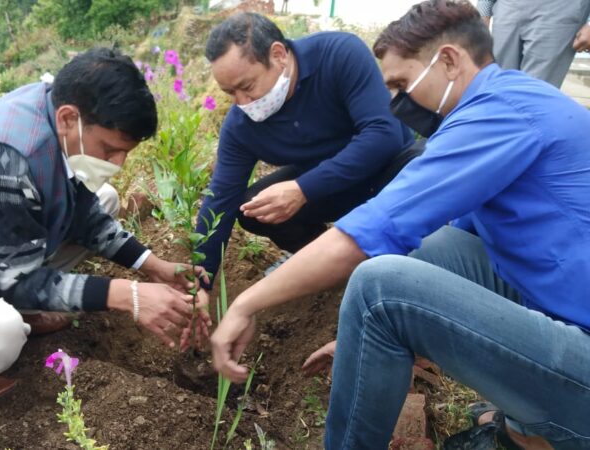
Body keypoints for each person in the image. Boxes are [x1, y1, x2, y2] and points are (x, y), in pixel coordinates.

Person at [210, 1, 590, 449]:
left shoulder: (499, 117)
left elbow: (375, 227)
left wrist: (244, 305)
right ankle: (522, 428)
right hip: (561, 304)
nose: (396, 101)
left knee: (379, 285)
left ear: (448, 61)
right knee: (435, 247)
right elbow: (451, 243)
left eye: (402, 84)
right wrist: (368, 340)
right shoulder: (511, 97)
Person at [0, 48, 210, 407]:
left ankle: (16, 310)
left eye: (125, 152)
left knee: (106, 197)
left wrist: (152, 266)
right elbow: (16, 279)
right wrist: (130, 295)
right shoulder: (4, 158)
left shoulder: (53, 108)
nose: (119, 163)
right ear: (69, 118)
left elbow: (84, 213)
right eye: (110, 150)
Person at [193, 12, 420, 284]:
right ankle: (336, 264)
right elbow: (221, 199)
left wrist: (303, 188)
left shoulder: (338, 54)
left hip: (388, 175)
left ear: (278, 55)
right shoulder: (240, 125)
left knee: (424, 158)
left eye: (247, 86)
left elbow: (384, 134)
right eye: (230, 93)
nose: (242, 102)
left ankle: (419, 262)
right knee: (254, 209)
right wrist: (200, 279)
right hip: (332, 190)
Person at [477, 0, 590, 87]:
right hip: (508, 7)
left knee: (534, 92)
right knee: (496, 85)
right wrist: (482, 12)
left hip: (560, 9)